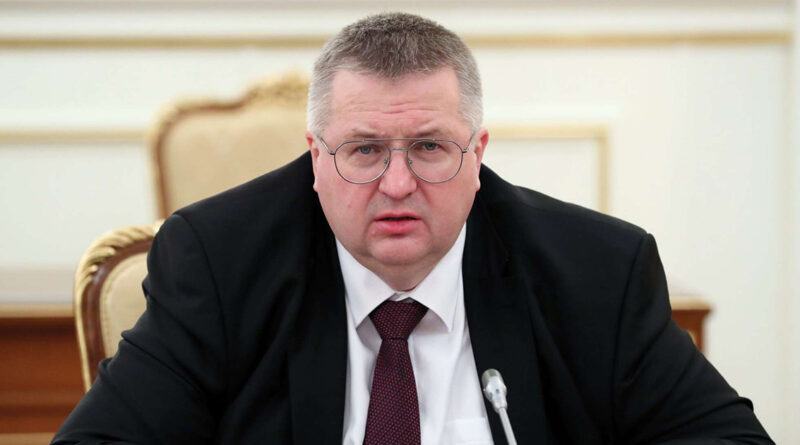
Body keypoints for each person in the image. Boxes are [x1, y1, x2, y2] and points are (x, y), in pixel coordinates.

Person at [53, 12, 772, 445]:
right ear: (316, 157)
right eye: (364, 150)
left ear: (477, 154)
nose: (397, 183)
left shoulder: (594, 271)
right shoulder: (220, 261)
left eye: (429, 147)